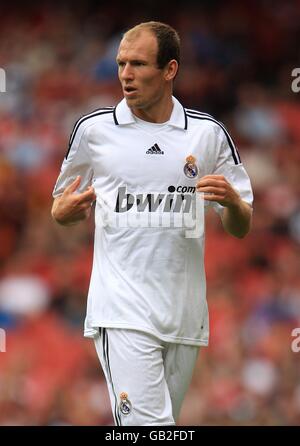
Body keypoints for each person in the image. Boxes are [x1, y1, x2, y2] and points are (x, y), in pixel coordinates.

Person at [51, 21, 253, 426]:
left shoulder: (207, 135)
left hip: (184, 315)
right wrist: (64, 212)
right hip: (121, 312)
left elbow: (241, 225)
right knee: (151, 428)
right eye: (121, 63)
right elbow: (59, 204)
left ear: (170, 69)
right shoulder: (94, 131)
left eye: (138, 64)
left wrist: (232, 203)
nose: (125, 74)